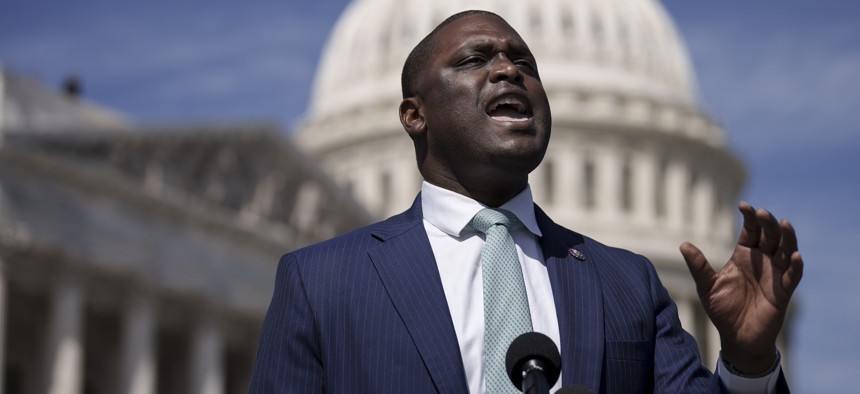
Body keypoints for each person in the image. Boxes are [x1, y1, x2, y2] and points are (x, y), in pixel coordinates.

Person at [249, 10, 803, 393]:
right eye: (474, 60)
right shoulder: (321, 283)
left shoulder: (626, 285)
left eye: (526, 63)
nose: (508, 69)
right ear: (413, 115)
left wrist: (747, 361)